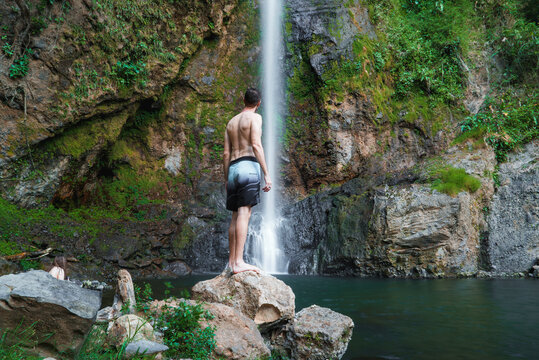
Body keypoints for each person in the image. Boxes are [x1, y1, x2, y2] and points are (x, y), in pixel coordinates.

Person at [223, 87, 272, 274]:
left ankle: (231, 261)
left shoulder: (231, 122)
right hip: (248, 166)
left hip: (233, 168)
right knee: (245, 213)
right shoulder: (255, 118)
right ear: (258, 103)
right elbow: (256, 144)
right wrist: (266, 173)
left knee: (235, 215)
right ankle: (238, 262)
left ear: (243, 101)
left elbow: (226, 153)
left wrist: (226, 177)